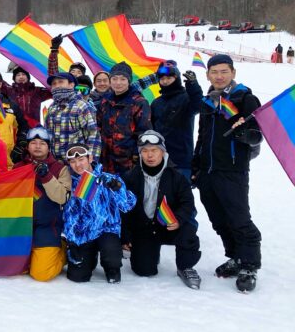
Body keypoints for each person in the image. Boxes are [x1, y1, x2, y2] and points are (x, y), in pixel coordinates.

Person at [192, 54, 263, 293]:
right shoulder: (208, 101)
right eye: (215, 72)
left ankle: (249, 265)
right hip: (207, 171)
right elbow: (202, 137)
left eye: (224, 72)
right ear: (208, 75)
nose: (219, 76)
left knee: (239, 218)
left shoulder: (245, 98)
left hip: (233, 170)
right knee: (219, 219)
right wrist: (196, 165)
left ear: (233, 72)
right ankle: (236, 257)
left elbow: (258, 134)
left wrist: (243, 134)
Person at [121, 131, 202, 289]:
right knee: (144, 270)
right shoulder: (130, 177)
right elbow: (124, 209)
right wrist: (125, 237)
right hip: (144, 228)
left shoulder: (176, 176)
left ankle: (186, 267)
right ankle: (149, 252)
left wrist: (178, 219)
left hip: (168, 225)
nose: (149, 155)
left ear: (163, 151)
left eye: (154, 150)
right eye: (144, 151)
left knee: (188, 227)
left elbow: (188, 204)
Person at [64, 144, 136, 284]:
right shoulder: (70, 184)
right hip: (84, 234)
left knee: (111, 254)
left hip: (106, 230)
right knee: (78, 277)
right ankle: (89, 259)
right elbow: (69, 216)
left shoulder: (108, 179)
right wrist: (72, 241)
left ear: (90, 158)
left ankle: (112, 267)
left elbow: (128, 205)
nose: (77, 165)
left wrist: (118, 188)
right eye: (73, 161)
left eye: (81, 160)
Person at [14, 127, 71, 281]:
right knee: (14, 267)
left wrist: (46, 175)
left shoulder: (60, 169)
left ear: (49, 147)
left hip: (48, 226)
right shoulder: (18, 168)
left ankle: (63, 249)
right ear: (27, 146)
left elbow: (62, 197)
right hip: (23, 226)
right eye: (33, 143)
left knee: (41, 274)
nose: (38, 146)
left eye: (42, 143)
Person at [146, 64, 202, 180]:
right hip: (158, 159)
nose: (165, 81)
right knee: (158, 197)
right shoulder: (156, 103)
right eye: (162, 79)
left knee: (180, 197)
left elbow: (198, 105)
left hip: (181, 161)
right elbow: (150, 129)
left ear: (177, 79)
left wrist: (193, 85)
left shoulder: (186, 98)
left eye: (169, 78)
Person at [97, 62, 151, 175]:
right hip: (105, 161)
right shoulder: (105, 101)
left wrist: (136, 158)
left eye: (123, 79)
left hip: (128, 164)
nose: (118, 83)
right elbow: (98, 126)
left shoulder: (139, 102)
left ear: (129, 81)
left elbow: (144, 133)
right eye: (114, 79)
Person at [44, 70, 101, 163]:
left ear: (71, 85)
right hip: (56, 164)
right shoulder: (52, 108)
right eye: (54, 84)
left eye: (61, 82)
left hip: (77, 163)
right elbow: (48, 133)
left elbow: (93, 135)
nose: (57, 85)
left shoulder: (81, 106)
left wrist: (92, 161)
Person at [0, 49, 51, 127]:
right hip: (14, 129)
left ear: (28, 77)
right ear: (14, 78)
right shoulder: (8, 90)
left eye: (23, 74)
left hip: (33, 130)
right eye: (18, 75)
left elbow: (54, 90)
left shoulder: (37, 91)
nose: (21, 76)